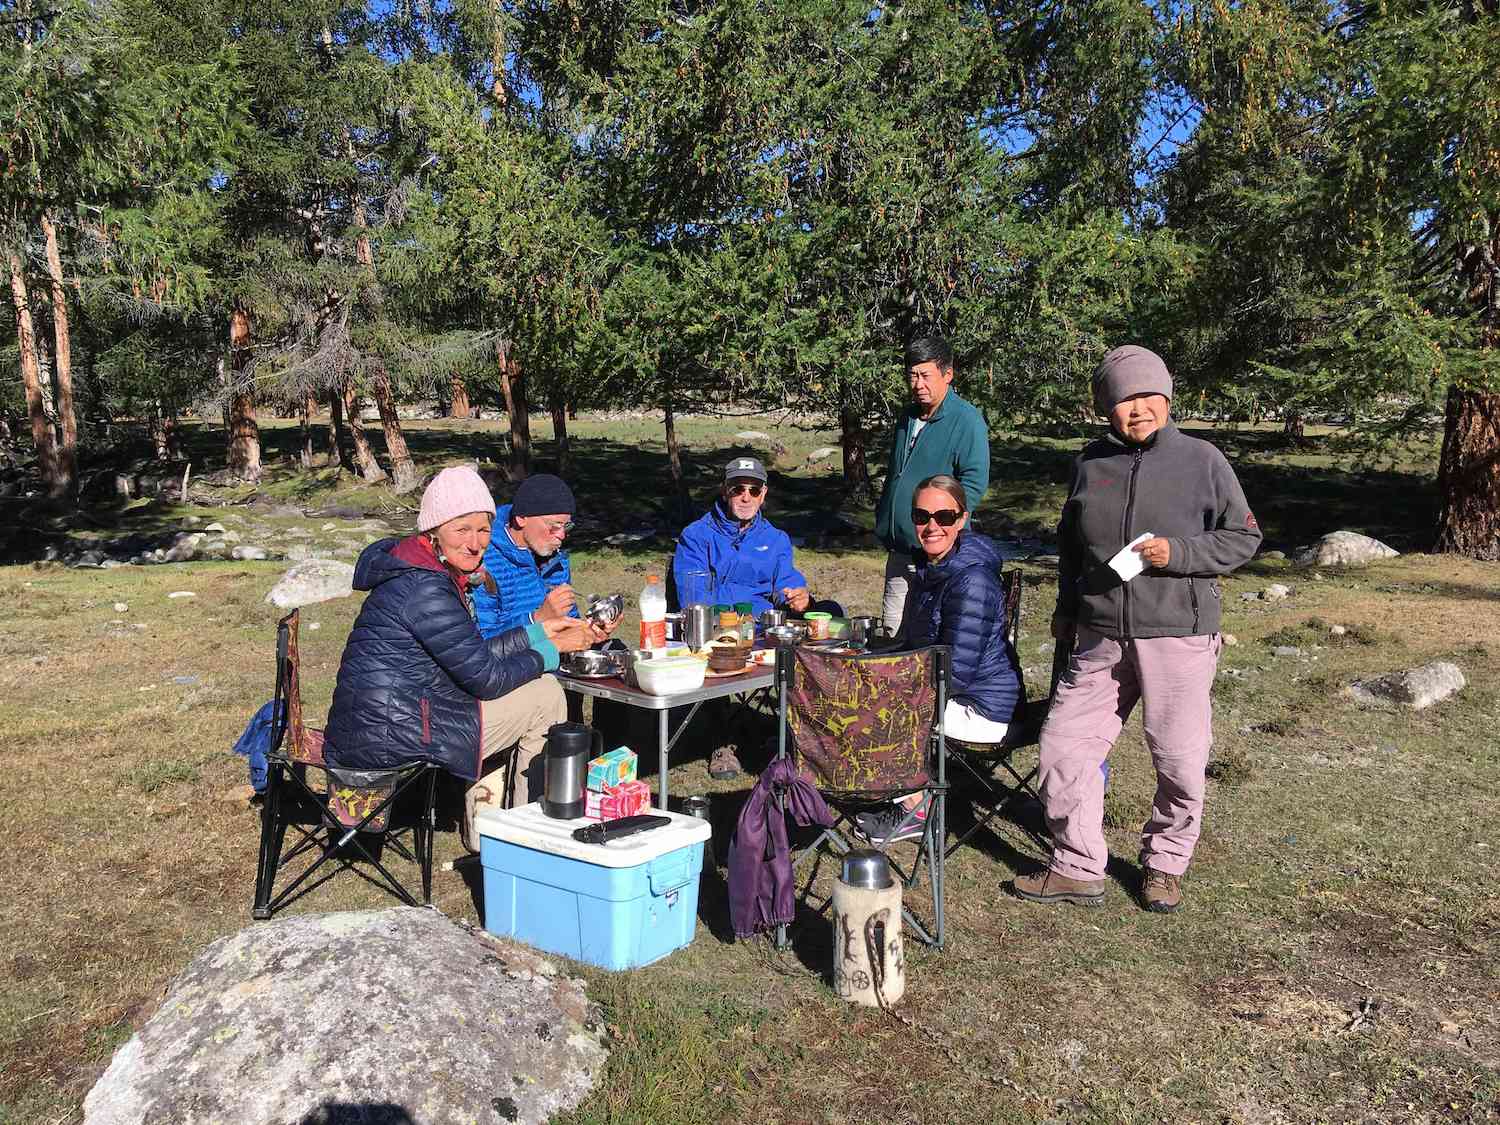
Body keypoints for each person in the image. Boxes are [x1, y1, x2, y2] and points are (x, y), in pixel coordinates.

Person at [1012, 345, 1261, 914]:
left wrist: (1179, 552)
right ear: (1106, 407)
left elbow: (1243, 536)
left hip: (1177, 632)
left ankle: (1165, 864)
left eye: (1148, 396)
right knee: (1062, 748)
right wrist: (1068, 605)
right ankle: (1077, 865)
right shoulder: (1089, 463)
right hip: (1100, 634)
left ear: (1167, 398)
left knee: (1178, 757)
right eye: (1124, 399)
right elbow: (1071, 545)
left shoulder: (1203, 461)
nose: (1139, 408)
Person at [323, 465, 598, 852]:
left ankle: (498, 826)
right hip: (394, 732)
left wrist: (539, 633)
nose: (475, 543)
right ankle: (522, 837)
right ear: (434, 532)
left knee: (539, 689)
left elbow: (473, 654)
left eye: (483, 530)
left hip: (394, 717)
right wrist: (554, 651)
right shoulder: (426, 588)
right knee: (546, 697)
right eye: (461, 529)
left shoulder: (424, 571)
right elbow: (485, 678)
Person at [856, 474, 1023, 845]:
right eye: (922, 516)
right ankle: (896, 792)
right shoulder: (931, 569)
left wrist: (889, 684)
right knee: (861, 686)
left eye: (944, 517)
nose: (932, 526)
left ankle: (914, 810)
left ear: (962, 519)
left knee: (877, 707)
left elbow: (956, 674)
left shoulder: (971, 581)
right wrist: (868, 662)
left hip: (983, 708)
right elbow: (914, 646)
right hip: (950, 692)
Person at [875, 335, 990, 636]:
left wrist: (945, 527)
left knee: (931, 635)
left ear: (947, 374)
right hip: (901, 549)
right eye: (912, 376)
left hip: (938, 552)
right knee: (892, 633)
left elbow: (974, 482)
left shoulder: (966, 420)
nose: (917, 384)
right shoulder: (907, 417)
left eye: (925, 375)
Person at [673, 456, 839, 617]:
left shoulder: (776, 539)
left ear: (763, 495)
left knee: (832, 609)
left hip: (763, 627)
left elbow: (786, 583)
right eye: (738, 489)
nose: (746, 498)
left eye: (754, 491)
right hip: (713, 626)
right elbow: (693, 597)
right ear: (724, 491)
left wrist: (800, 600)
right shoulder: (695, 536)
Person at [474, 473, 618, 640]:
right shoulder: (484, 562)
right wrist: (537, 619)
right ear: (521, 518)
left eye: (567, 526)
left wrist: (591, 631)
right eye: (554, 526)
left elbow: (568, 623)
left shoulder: (555, 560)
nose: (562, 535)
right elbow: (479, 647)